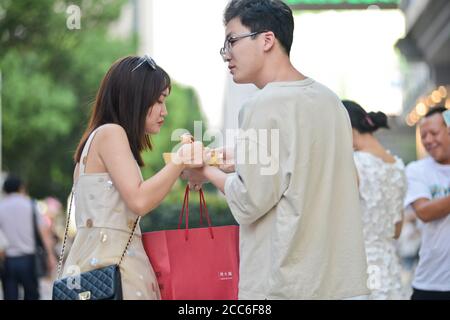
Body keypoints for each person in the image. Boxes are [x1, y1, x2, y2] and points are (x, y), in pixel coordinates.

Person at [185, 0, 369, 299]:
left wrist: (205, 171)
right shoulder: (331, 101)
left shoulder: (262, 105)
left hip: (283, 284)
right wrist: (241, 162)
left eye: (232, 40)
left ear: (267, 39)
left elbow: (249, 201)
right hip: (337, 283)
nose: (226, 55)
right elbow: (303, 171)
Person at [59, 55, 200, 300]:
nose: (164, 111)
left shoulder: (97, 138)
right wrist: (180, 159)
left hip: (95, 264)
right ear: (134, 99)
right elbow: (139, 200)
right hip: (114, 269)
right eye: (158, 101)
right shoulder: (111, 133)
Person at [342, 100, 407, 299]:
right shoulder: (398, 166)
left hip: (358, 268)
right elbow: (397, 231)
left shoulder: (353, 164)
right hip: (389, 268)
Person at [404, 106, 450, 300]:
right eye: (424, 136)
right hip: (431, 283)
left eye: (434, 133)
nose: (428, 140)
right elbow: (424, 212)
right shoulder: (416, 170)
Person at [0, 175, 57, 300]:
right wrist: (50, 256)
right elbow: (44, 233)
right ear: (21, 188)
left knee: (9, 296)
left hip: (7, 260)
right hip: (29, 260)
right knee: (32, 295)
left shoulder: (1, 207)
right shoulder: (30, 205)